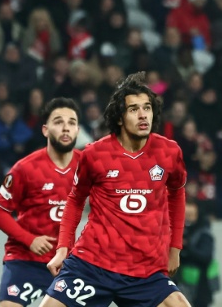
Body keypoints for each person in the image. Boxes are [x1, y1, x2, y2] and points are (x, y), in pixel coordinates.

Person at [40, 72, 190, 307]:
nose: (143, 115)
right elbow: (75, 200)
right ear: (120, 118)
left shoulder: (169, 152)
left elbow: (177, 195)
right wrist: (62, 248)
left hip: (145, 269)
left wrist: (175, 248)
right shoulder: (95, 154)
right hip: (93, 264)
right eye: (133, 110)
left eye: (147, 108)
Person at [0, 98, 81, 307]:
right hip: (25, 259)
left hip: (66, 263)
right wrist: (30, 240)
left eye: (72, 122)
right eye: (58, 122)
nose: (66, 128)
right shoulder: (25, 169)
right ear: (45, 130)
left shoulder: (86, 166)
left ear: (77, 130)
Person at [177, 199, 219, 307]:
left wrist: (187, 246)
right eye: (184, 215)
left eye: (190, 215)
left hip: (200, 287)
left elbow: (205, 257)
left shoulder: (204, 234)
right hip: (181, 284)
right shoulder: (177, 232)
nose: (187, 219)